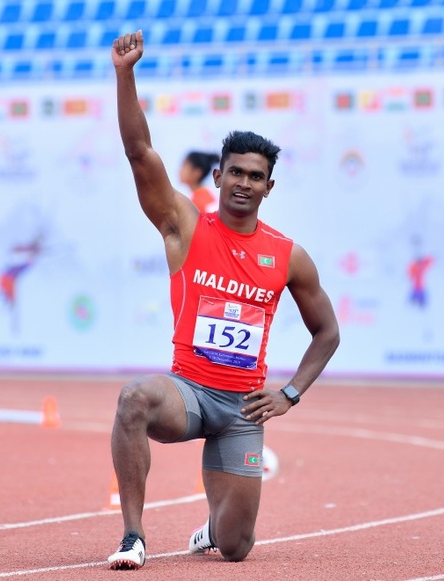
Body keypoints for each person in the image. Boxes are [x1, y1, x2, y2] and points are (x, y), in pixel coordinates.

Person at [107, 30, 340, 570]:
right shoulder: (184, 226)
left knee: (236, 548)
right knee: (134, 398)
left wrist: (291, 393)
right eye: (235, 171)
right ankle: (133, 537)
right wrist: (125, 76)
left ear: (268, 187)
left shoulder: (288, 256)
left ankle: (211, 529)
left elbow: (327, 331)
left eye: (255, 176)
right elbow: (139, 152)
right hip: (186, 393)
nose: (243, 182)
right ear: (218, 175)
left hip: (241, 408)